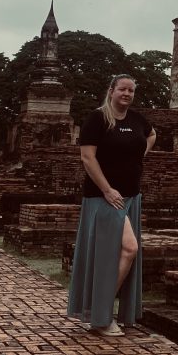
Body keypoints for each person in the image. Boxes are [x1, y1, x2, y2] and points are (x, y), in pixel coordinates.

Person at [67, 74, 156, 336]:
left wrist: (140, 155)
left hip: (131, 196)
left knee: (117, 254)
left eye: (131, 90)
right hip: (104, 197)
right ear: (111, 90)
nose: (126, 94)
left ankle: (100, 312)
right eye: (122, 89)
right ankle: (100, 314)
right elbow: (87, 157)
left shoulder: (137, 119)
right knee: (128, 249)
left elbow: (151, 135)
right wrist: (107, 189)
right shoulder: (97, 119)